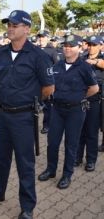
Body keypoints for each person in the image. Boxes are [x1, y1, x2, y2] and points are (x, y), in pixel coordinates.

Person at [0, 10, 55, 219]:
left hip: (23, 117)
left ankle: (27, 206)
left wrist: (30, 100)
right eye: (8, 24)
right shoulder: (0, 53)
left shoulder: (38, 56)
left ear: (27, 29)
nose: (10, 28)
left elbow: (48, 88)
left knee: (25, 162)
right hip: (2, 114)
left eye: (15, 25)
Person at [38, 34, 98, 190]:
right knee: (52, 142)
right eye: (65, 45)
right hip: (57, 109)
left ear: (79, 47)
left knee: (71, 144)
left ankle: (66, 174)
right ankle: (51, 170)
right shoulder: (57, 66)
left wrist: (78, 97)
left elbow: (94, 88)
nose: (67, 48)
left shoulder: (84, 67)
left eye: (71, 45)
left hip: (75, 111)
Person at [75, 35, 104, 171]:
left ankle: (91, 160)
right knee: (79, 130)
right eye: (90, 44)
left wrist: (96, 62)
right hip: (81, 99)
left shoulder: (102, 59)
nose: (91, 47)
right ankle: (77, 157)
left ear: (100, 46)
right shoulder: (82, 58)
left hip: (95, 101)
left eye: (94, 45)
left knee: (92, 132)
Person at [37, 30, 59, 134]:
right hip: (35, 82)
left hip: (47, 82)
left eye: (43, 37)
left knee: (47, 106)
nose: (41, 39)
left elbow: (57, 65)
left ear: (47, 38)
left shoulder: (52, 50)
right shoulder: (34, 49)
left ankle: (46, 125)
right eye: (39, 37)